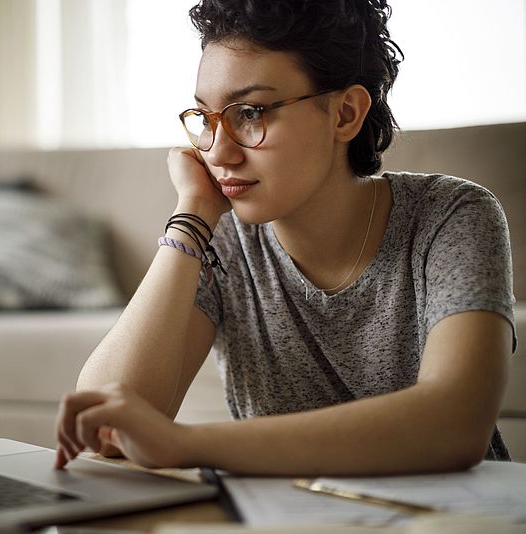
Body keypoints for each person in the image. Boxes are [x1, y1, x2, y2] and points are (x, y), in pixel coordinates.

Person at [54, 0, 515, 475]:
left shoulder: (451, 215)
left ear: (345, 114)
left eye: (250, 113)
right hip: (278, 512)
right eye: (206, 118)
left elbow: (455, 424)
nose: (219, 152)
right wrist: (191, 214)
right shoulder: (220, 239)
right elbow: (104, 427)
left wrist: (185, 444)